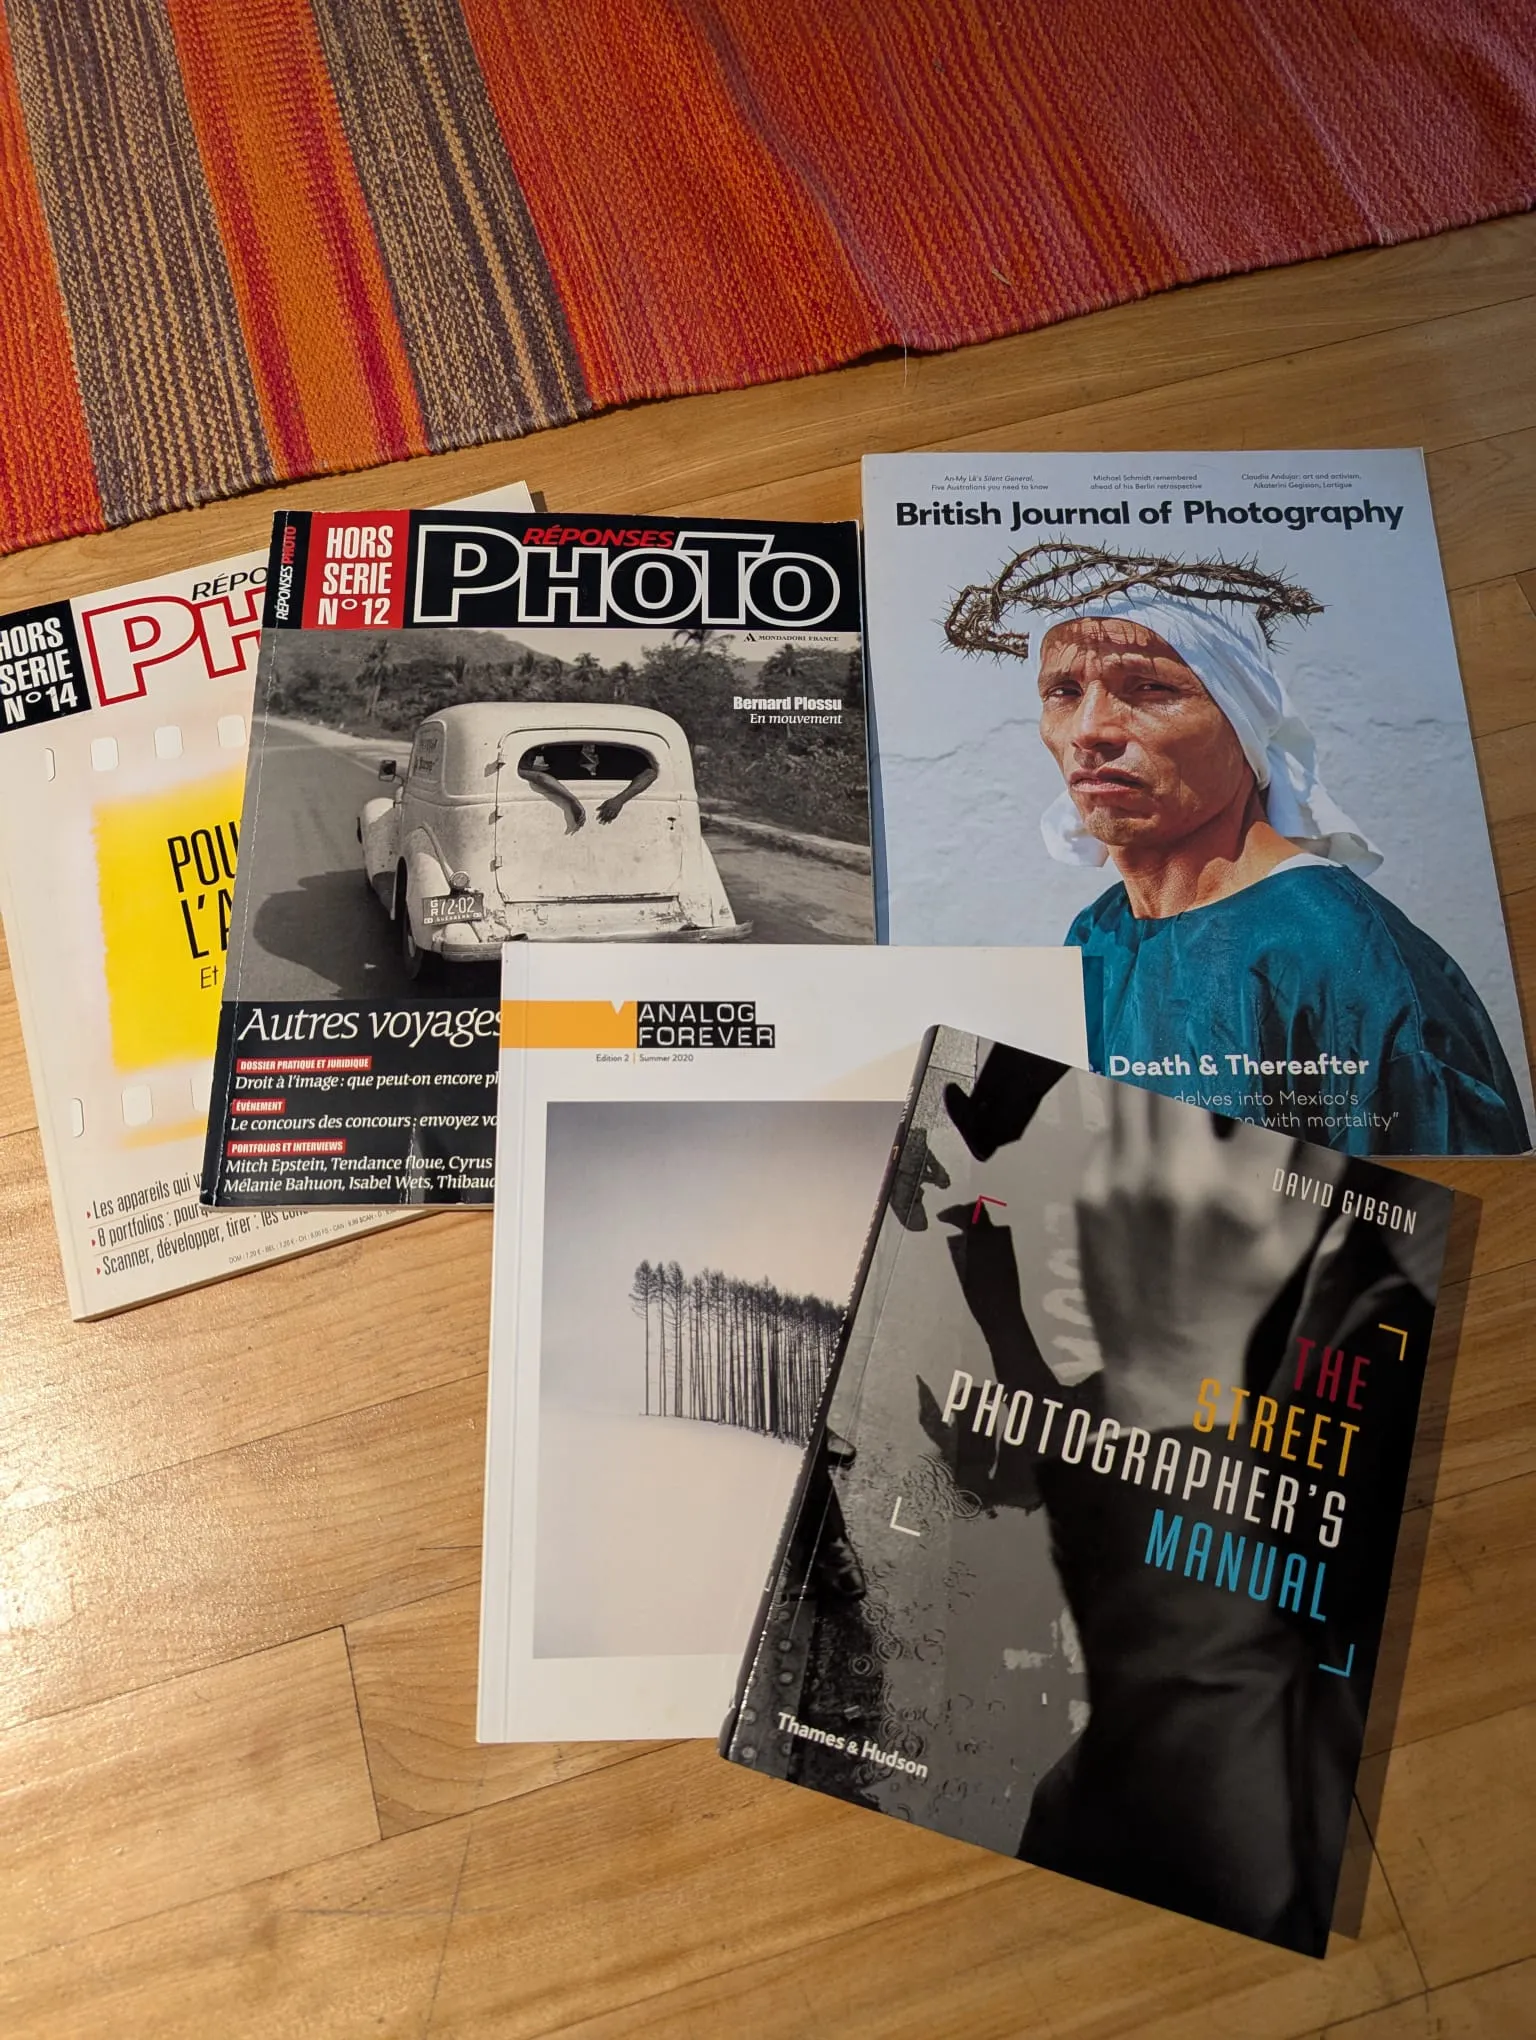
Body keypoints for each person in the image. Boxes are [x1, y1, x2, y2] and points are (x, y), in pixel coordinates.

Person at [948, 547, 1529, 1154]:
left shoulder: (1340, 957)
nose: (1089, 730)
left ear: (1240, 718)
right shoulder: (1098, 934)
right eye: (1064, 691)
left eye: (1149, 688)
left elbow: (1434, 1201)